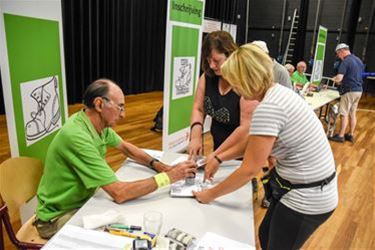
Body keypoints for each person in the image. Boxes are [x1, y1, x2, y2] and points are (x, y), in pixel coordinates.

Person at [194, 44, 338, 250]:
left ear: (245, 79)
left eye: (235, 83)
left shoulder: (269, 107)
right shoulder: (277, 92)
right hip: (308, 188)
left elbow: (250, 169)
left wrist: (210, 194)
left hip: (309, 197)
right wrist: (218, 158)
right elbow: (255, 141)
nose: (234, 89)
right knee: (265, 234)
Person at [34, 79, 197, 239]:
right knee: (119, 236)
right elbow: (120, 193)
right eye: (120, 107)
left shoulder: (94, 123)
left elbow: (126, 148)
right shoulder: (76, 136)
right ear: (99, 105)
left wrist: (160, 166)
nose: (123, 115)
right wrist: (169, 177)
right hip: (56, 218)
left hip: (83, 202)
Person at [188, 31, 256, 180]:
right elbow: (198, 108)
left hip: (240, 154)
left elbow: (245, 129)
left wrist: (218, 156)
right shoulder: (207, 77)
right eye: (208, 60)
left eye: (216, 60)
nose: (212, 66)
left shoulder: (244, 83)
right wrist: (195, 135)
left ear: (230, 55)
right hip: (218, 148)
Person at [330, 43, 364, 143]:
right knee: (352, 113)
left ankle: (340, 136)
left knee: (344, 114)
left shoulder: (346, 62)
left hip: (349, 91)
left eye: (338, 54)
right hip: (359, 90)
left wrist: (335, 79)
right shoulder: (358, 60)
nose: (338, 56)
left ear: (342, 51)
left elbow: (339, 78)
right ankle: (350, 134)